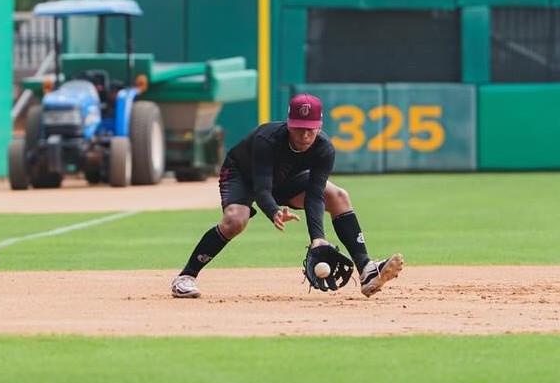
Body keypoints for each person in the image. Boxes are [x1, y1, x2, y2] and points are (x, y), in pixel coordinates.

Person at [170, 93, 403, 299]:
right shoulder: (266, 139)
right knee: (235, 220)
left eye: (310, 128)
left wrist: (318, 239)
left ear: (320, 126)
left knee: (337, 195)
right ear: (289, 124)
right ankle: (186, 276)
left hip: (287, 178)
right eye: (299, 127)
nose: (304, 134)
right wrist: (273, 211)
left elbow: (314, 195)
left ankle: (366, 269)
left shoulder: (324, 149)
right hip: (244, 175)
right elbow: (262, 189)